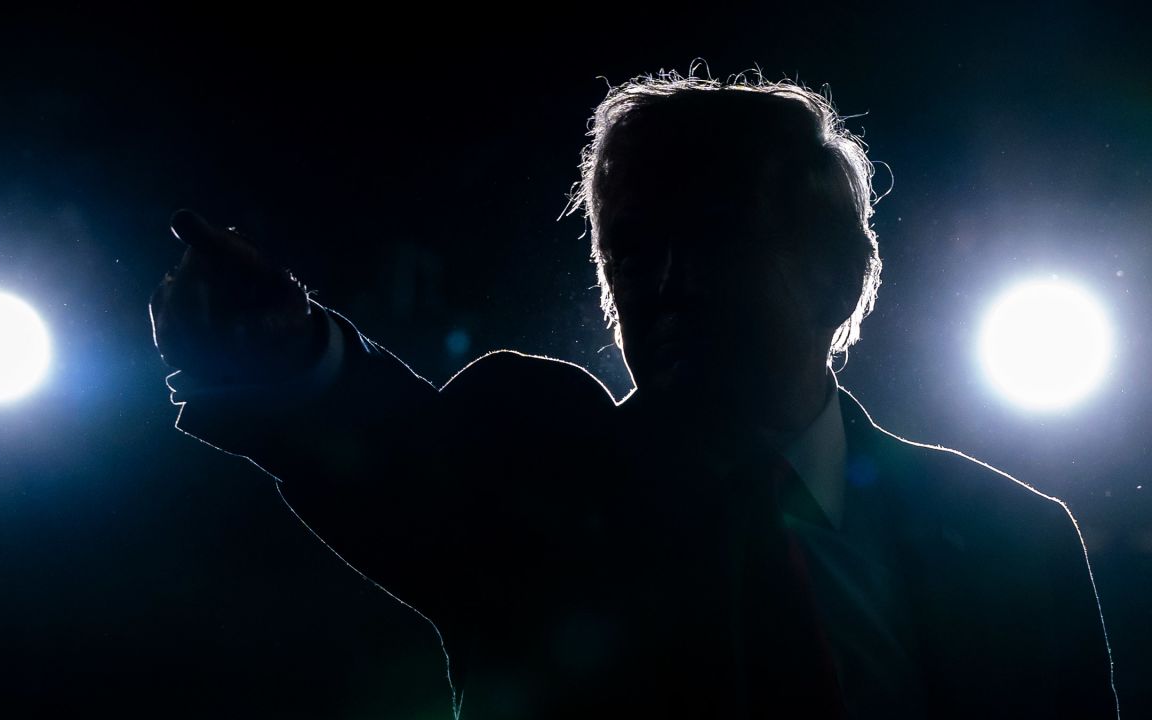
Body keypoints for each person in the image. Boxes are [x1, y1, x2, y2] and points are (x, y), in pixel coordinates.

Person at [148, 71, 1119, 718]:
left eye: (703, 245)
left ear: (832, 275)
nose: (657, 287)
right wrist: (286, 352)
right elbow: (392, 447)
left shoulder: (1012, 540)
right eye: (626, 255)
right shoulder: (541, 470)